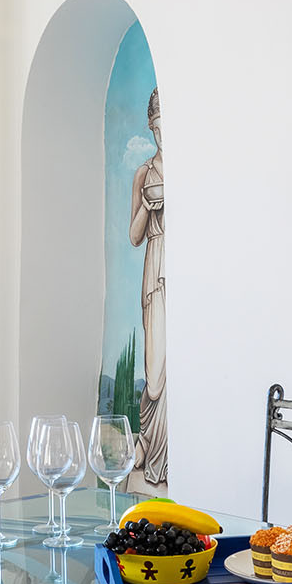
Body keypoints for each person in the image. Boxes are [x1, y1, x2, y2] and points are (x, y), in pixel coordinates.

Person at [128, 88, 168, 488]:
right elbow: (134, 236)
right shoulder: (144, 173)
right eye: (157, 129)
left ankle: (168, 455)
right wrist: (147, 205)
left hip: (183, 269)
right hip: (155, 265)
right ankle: (148, 441)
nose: (162, 135)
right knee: (155, 369)